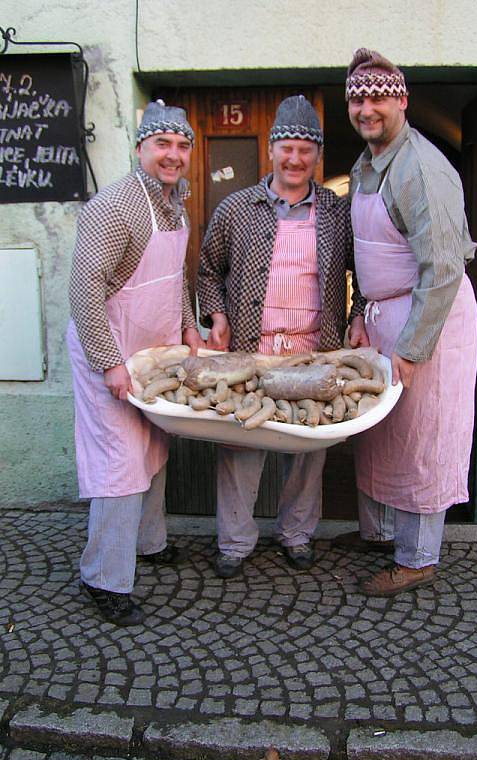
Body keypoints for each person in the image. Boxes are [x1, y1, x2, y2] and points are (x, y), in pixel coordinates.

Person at [197, 95, 364, 579]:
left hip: (315, 349)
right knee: (241, 447)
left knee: (308, 450)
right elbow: (209, 271)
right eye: (286, 148)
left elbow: (366, 272)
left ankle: (296, 534)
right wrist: (216, 313)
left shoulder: (336, 210)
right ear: (272, 150)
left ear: (317, 157)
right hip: (253, 350)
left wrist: (357, 315)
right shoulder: (236, 208)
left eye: (305, 151)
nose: (295, 159)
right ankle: (234, 542)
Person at [342, 48, 477, 596]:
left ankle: (418, 557)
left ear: (402, 100)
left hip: (429, 320)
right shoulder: (367, 164)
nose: (366, 109)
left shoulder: (420, 167)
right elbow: (364, 252)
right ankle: (379, 536)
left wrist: (414, 348)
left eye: (378, 97)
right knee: (384, 434)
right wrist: (358, 312)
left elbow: (443, 268)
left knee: (424, 436)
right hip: (383, 316)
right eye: (358, 98)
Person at [67, 100, 205, 625]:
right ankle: (104, 577)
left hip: (152, 351)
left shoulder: (175, 202)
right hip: (109, 351)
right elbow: (85, 289)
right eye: (162, 145)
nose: (173, 155)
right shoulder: (114, 206)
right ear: (140, 148)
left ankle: (149, 544)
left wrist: (189, 326)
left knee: (153, 446)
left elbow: (175, 280)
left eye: (181, 146)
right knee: (121, 464)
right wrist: (108, 362)